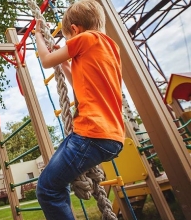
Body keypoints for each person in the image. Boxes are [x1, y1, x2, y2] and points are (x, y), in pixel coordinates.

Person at [34, 0, 125, 219]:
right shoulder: (111, 47)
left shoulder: (85, 38)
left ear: (75, 30)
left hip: (91, 135)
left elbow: (46, 60)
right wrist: (66, 63)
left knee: (47, 189)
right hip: (111, 137)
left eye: (68, 40)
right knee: (53, 182)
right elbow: (81, 85)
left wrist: (37, 35)